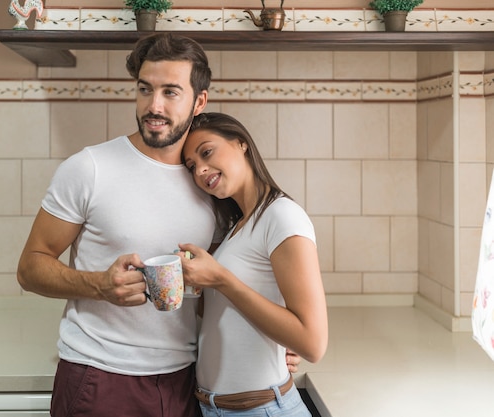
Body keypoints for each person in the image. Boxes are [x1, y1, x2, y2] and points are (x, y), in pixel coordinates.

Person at [17, 33, 214, 417]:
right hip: (98, 379)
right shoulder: (89, 168)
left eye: (171, 92)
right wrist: (100, 286)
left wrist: (272, 344)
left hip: (187, 381)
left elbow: (226, 283)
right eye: (145, 89)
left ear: (199, 101)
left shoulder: (211, 182)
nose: (153, 106)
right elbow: (30, 267)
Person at [178, 112, 329, 417]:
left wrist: (221, 279)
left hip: (262, 409)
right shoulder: (237, 228)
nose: (200, 169)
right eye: (192, 166)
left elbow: (312, 343)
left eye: (206, 152)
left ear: (241, 143)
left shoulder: (282, 216)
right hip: (215, 407)